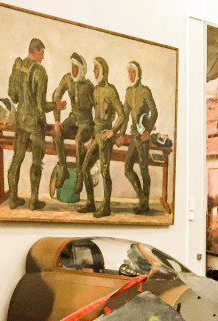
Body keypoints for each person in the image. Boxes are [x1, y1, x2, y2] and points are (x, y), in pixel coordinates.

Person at [6, 38, 66, 210]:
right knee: (36, 162)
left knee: (16, 160)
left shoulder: (17, 67)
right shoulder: (40, 72)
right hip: (36, 124)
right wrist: (57, 105)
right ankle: (34, 201)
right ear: (36, 51)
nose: (43, 57)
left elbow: (13, 96)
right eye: (42, 53)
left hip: (21, 121)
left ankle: (13, 199)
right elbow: (41, 106)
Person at [79, 57, 124, 218]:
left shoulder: (111, 90)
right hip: (96, 135)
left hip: (105, 137)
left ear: (103, 71)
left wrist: (113, 131)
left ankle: (106, 206)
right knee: (84, 169)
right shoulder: (96, 90)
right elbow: (95, 118)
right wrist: (91, 137)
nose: (94, 72)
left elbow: (122, 114)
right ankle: (91, 203)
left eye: (96, 69)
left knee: (105, 172)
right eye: (94, 68)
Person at [50, 53, 95, 202]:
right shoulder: (67, 80)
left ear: (82, 69)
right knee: (56, 133)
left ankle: (80, 177)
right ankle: (63, 169)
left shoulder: (88, 86)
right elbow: (56, 96)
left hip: (86, 121)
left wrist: (94, 134)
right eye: (72, 67)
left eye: (76, 68)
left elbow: (99, 109)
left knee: (78, 141)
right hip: (73, 118)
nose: (73, 70)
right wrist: (57, 121)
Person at [119, 61, 157, 215]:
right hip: (133, 133)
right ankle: (142, 198)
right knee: (127, 168)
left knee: (143, 169)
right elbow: (125, 116)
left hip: (142, 136)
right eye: (129, 72)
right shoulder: (128, 92)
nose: (130, 75)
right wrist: (121, 134)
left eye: (133, 72)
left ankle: (145, 203)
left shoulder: (145, 91)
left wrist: (148, 130)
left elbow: (154, 112)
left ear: (138, 73)